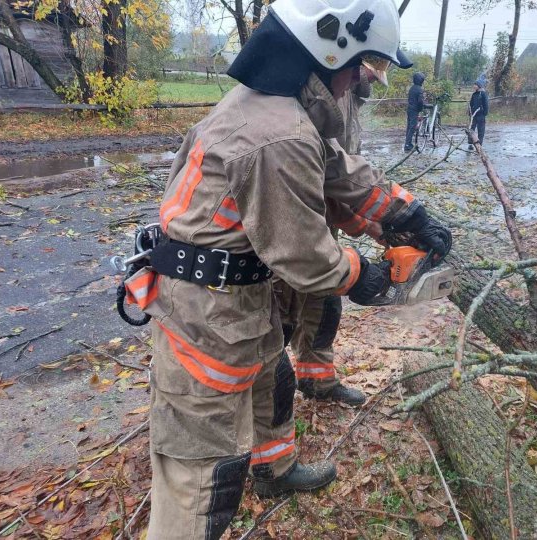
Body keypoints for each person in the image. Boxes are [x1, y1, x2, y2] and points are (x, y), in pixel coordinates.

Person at [123, 1, 452, 538]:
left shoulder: (279, 109)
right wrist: (368, 278)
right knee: (202, 477)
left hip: (238, 301)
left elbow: (335, 169)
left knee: (273, 380)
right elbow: (304, 256)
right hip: (206, 313)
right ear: (330, 52)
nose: (354, 84)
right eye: (358, 67)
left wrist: (406, 214)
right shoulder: (277, 135)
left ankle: (274, 469)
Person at [274, 67, 379, 407]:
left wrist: (374, 219)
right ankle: (267, 396)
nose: (367, 83)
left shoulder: (350, 99)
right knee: (282, 310)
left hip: (324, 220)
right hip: (295, 222)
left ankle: (317, 381)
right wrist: (362, 224)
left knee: (326, 304)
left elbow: (343, 174)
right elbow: (317, 176)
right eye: (366, 74)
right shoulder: (316, 96)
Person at [404, 72, 426, 152]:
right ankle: (407, 145)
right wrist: (420, 108)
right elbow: (420, 101)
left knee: (409, 127)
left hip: (409, 108)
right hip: (414, 110)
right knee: (412, 127)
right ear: (421, 80)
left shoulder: (412, 88)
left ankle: (407, 143)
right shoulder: (419, 89)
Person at [468, 80, 489, 149]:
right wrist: (470, 112)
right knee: (471, 129)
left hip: (481, 115)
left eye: (475, 85)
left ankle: (479, 144)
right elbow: (471, 104)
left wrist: (485, 113)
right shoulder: (474, 94)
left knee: (481, 130)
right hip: (474, 115)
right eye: (474, 84)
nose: (474, 86)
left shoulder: (483, 94)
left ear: (479, 86)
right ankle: (470, 143)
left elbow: (486, 104)